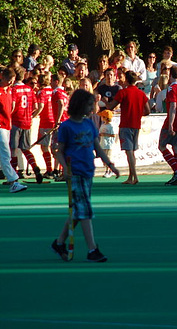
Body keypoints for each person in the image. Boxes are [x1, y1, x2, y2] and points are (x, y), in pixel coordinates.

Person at [50, 89, 119, 263]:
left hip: (89, 172)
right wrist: (65, 168)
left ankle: (59, 243)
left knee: (79, 211)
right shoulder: (67, 126)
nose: (92, 107)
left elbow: (97, 147)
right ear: (80, 105)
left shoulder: (89, 124)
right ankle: (92, 249)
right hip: (76, 173)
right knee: (85, 211)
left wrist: (110, 164)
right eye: (89, 104)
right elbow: (59, 151)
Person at [107, 71, 150, 185]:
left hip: (126, 124)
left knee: (129, 151)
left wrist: (105, 102)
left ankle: (134, 176)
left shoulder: (123, 92)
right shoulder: (141, 94)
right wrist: (138, 113)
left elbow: (111, 106)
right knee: (132, 152)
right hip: (136, 124)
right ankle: (131, 176)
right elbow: (148, 110)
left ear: (126, 80)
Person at [9, 67, 44, 184]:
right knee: (25, 148)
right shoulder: (29, 89)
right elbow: (36, 106)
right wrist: (30, 115)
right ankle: (35, 167)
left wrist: (9, 115)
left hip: (16, 121)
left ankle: (13, 176)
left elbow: (12, 105)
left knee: (13, 149)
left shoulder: (13, 89)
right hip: (27, 122)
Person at [158, 65, 177, 185]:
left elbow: (173, 106)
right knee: (176, 146)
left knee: (162, 146)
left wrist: (170, 124)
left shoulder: (171, 88)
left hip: (173, 121)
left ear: (170, 75)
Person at [35, 72, 56, 178]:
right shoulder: (52, 91)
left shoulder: (41, 92)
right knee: (53, 147)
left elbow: (40, 106)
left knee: (45, 147)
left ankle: (49, 170)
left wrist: (33, 115)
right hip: (54, 121)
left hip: (46, 121)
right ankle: (57, 169)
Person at [97, 110, 116, 178]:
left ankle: (109, 170)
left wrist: (105, 134)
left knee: (108, 157)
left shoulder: (111, 126)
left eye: (102, 117)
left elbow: (114, 135)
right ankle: (110, 167)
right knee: (103, 158)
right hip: (103, 144)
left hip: (109, 144)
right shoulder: (103, 125)